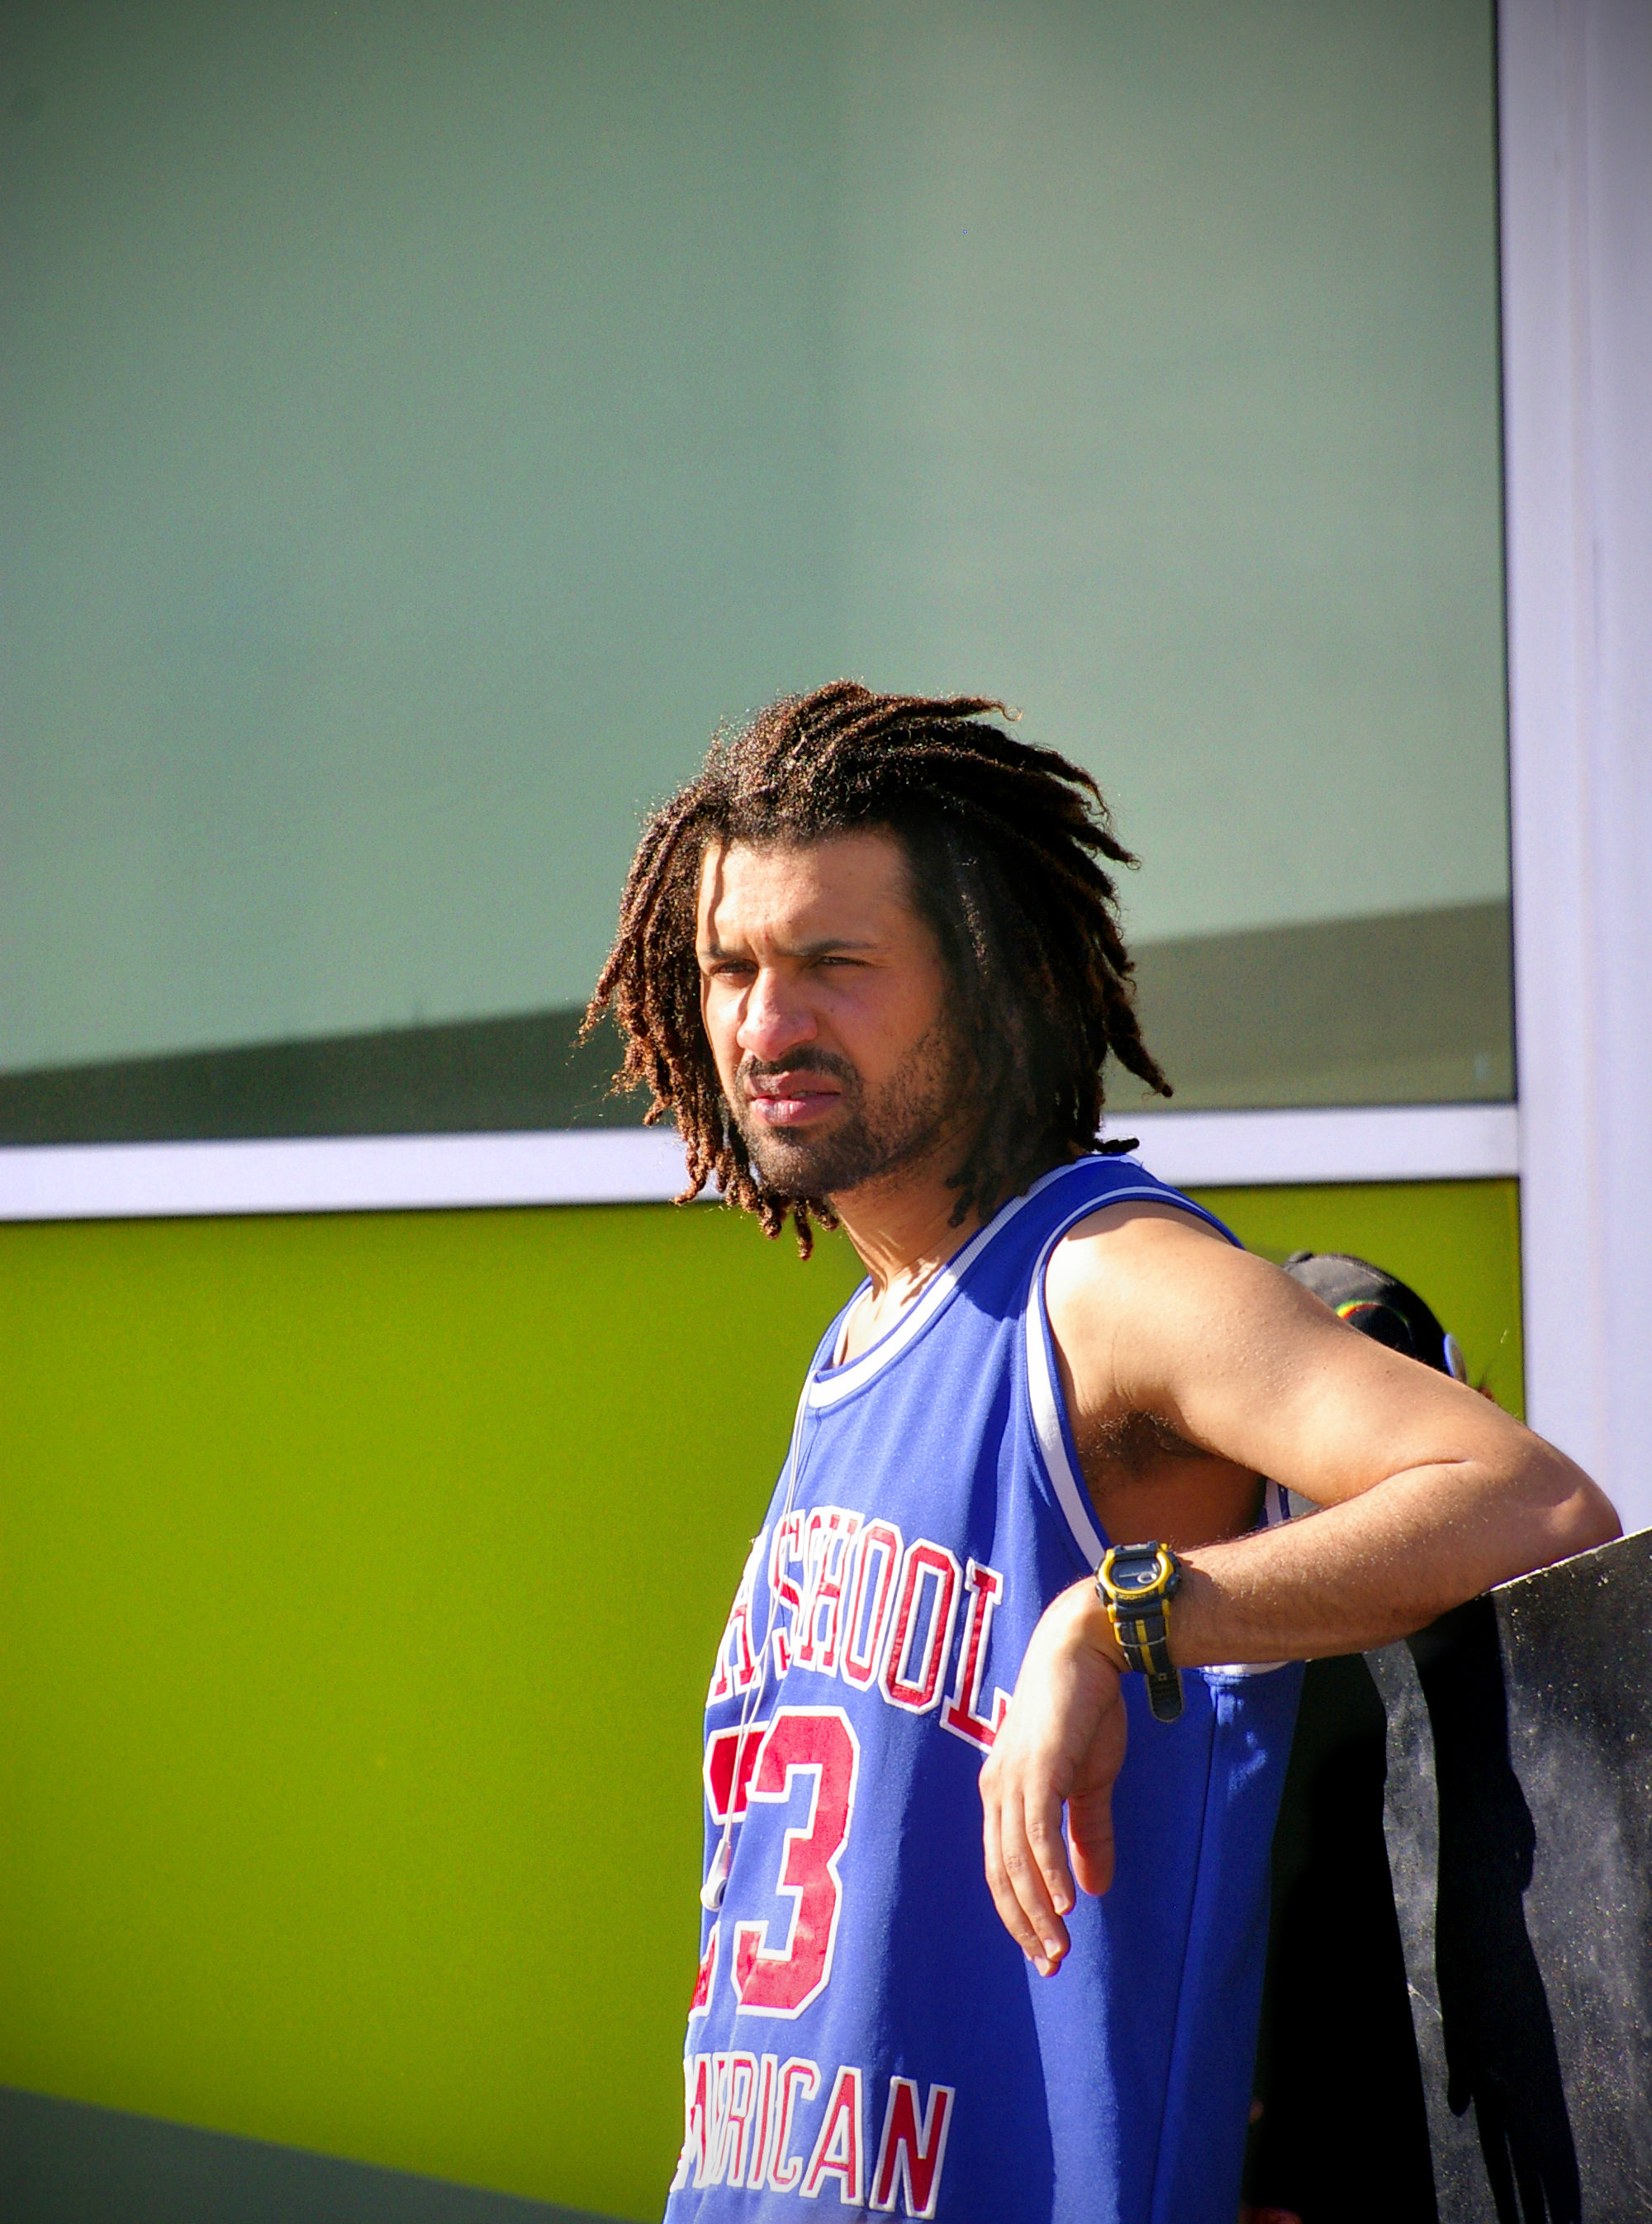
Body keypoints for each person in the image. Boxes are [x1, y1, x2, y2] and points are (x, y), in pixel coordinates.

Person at [586, 683, 1616, 2222]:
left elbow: (1529, 1500)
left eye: (835, 965)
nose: (765, 1022)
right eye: (731, 967)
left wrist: (1120, 1613)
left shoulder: (1101, 1281)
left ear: (990, 984)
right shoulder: (870, 1337)